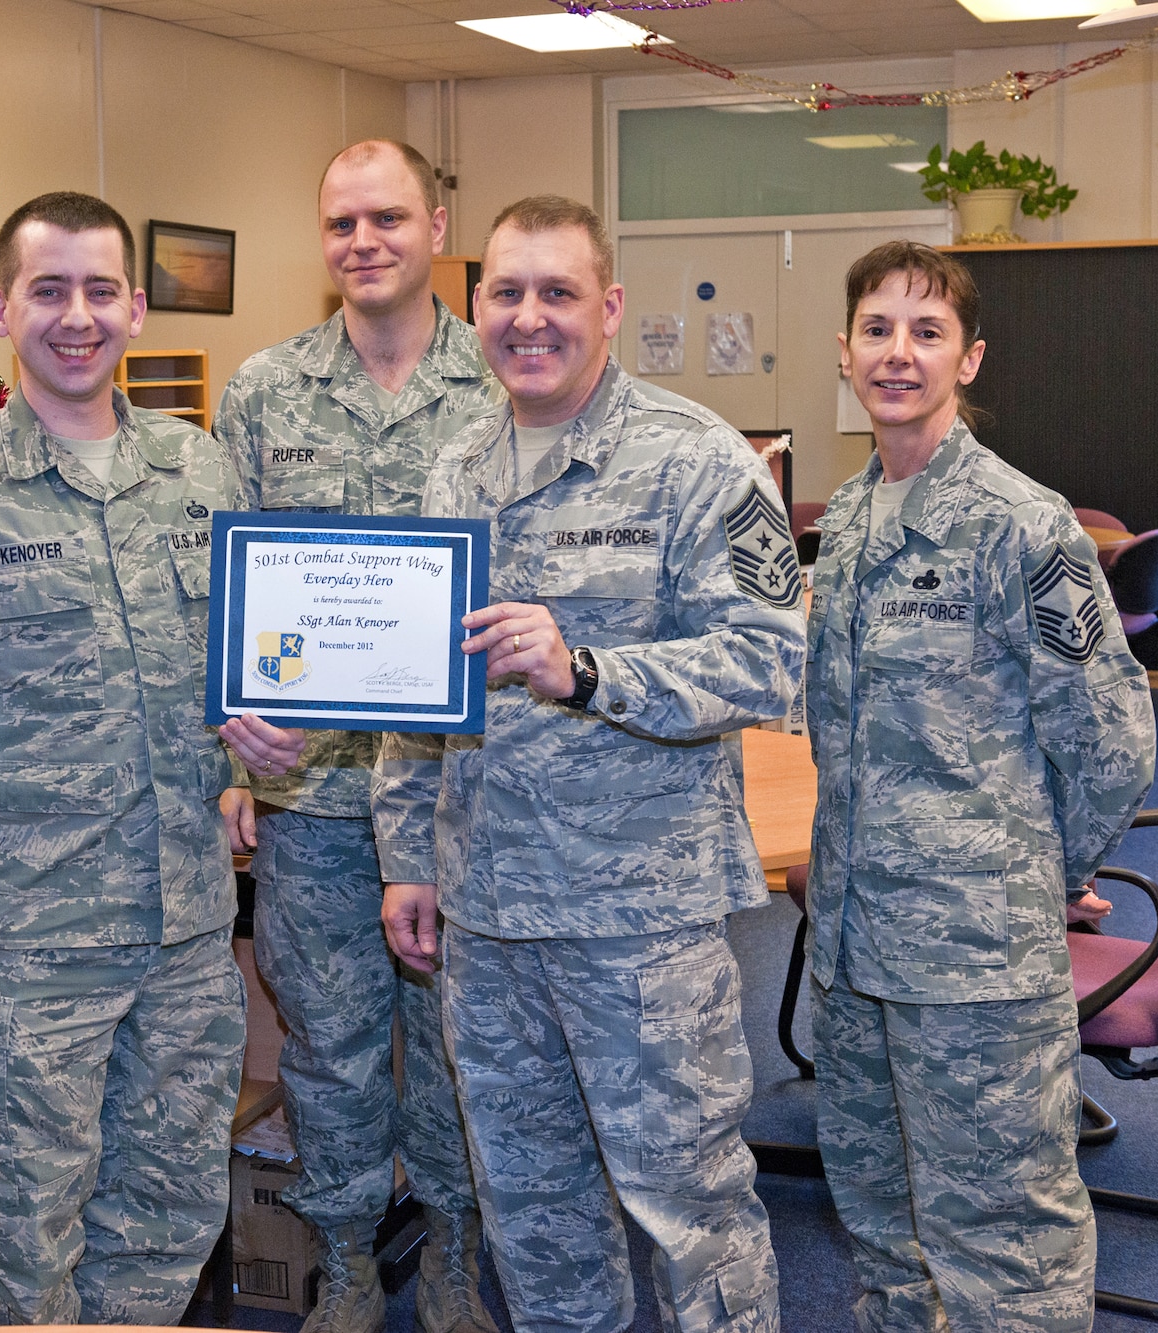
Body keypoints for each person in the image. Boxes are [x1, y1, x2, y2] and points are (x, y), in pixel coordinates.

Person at [0, 191, 304, 1326]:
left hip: (184, 936)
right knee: (25, 1250)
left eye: (97, 290)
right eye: (48, 291)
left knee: (162, 1228)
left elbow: (253, 672)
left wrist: (257, 763)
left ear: (134, 307)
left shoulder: (204, 476)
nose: (74, 316)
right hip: (24, 944)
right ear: (0, 308)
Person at [375, 195, 798, 1333]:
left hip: (639, 924)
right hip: (487, 918)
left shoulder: (697, 460)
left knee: (689, 1210)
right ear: (474, 309)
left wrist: (589, 670)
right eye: (506, 294)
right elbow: (416, 699)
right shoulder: (452, 472)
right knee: (535, 1213)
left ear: (606, 307)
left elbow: (770, 660)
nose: (529, 319)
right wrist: (407, 856)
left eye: (556, 293)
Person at [804, 241, 1154, 1331]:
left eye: (924, 331)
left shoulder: (1022, 523)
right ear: (844, 351)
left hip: (975, 959)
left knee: (1005, 1247)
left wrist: (1044, 872)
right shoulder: (850, 521)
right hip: (853, 945)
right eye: (875, 329)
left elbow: (1110, 740)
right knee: (880, 1224)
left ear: (967, 359)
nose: (896, 353)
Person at [213, 138, 497, 1333]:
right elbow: (223, 594)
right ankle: (338, 1261)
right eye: (339, 224)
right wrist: (232, 748)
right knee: (327, 1046)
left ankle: (450, 1258)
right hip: (315, 800)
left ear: (436, 223)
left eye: (386, 217)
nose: (362, 242)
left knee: (456, 1047)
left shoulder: (506, 378)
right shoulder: (264, 391)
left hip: (464, 797)